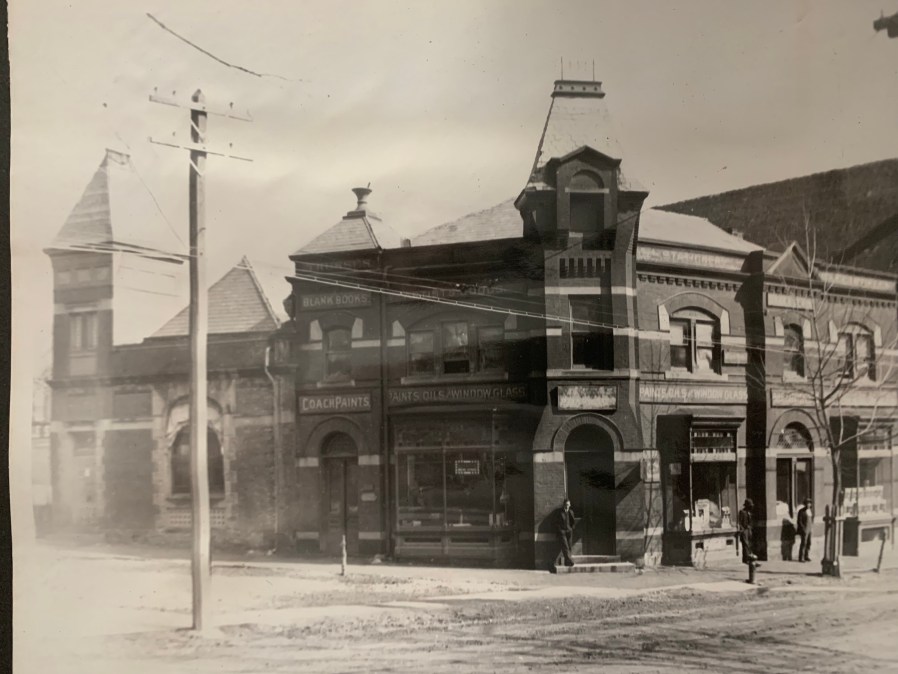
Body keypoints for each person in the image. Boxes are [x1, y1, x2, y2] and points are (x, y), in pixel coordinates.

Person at [737, 499, 758, 566]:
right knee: (746, 545)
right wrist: (742, 530)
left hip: (749, 530)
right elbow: (739, 522)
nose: (751, 507)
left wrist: (750, 528)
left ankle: (751, 559)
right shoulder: (742, 512)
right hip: (745, 530)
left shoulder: (750, 513)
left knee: (750, 545)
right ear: (747, 506)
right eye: (750, 506)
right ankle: (746, 559)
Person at [558, 498, 576, 567]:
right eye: (565, 505)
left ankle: (566, 562)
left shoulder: (571, 512)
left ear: (570, 505)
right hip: (562, 532)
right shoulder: (559, 512)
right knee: (565, 546)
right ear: (563, 505)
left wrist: (571, 529)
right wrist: (560, 530)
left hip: (569, 531)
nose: (567, 506)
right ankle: (570, 561)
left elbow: (573, 522)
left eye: (568, 505)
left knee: (569, 547)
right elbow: (555, 523)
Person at [797, 498, 813, 562]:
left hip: (810, 529)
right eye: (807, 503)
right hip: (804, 529)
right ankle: (801, 557)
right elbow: (799, 521)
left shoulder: (810, 511)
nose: (808, 504)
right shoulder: (801, 511)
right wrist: (803, 529)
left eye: (809, 503)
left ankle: (806, 556)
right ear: (805, 504)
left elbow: (811, 519)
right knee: (803, 543)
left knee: (809, 543)